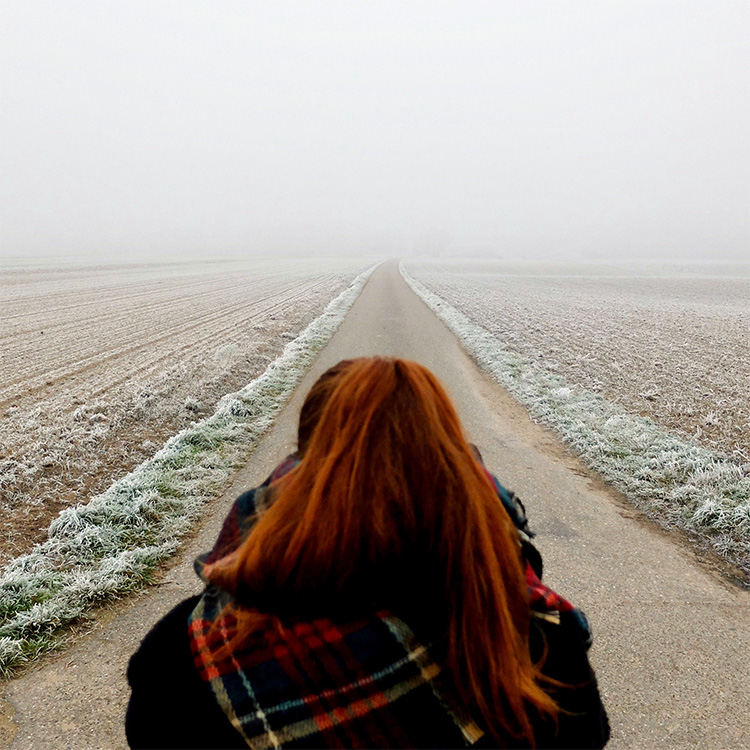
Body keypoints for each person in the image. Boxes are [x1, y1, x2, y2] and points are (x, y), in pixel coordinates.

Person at [126, 357, 609, 749]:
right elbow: (588, 734)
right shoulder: (533, 642)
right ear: (453, 467)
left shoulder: (187, 656)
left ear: (301, 469)